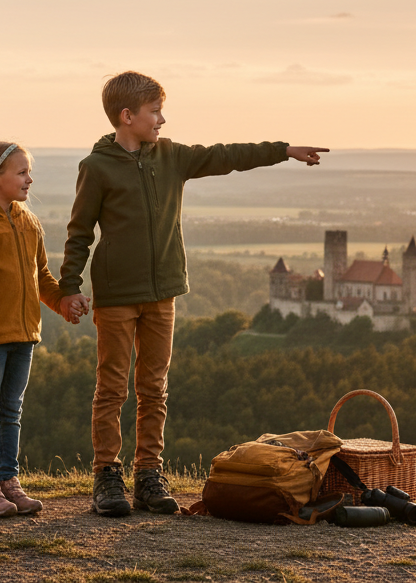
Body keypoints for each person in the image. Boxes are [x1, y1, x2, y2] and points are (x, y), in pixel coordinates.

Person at [57, 71, 328, 517]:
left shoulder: (171, 157)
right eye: (154, 111)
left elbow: (227, 155)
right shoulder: (97, 166)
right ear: (127, 116)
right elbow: (79, 232)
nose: (162, 119)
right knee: (111, 388)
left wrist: (283, 151)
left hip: (163, 293)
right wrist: (69, 288)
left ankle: (148, 475)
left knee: (154, 388)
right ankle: (107, 476)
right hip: (117, 296)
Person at [0, 142, 87, 518]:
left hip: (25, 334)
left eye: (28, 171)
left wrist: (63, 302)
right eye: (21, 172)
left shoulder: (29, 221)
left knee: (11, 410)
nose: (29, 179)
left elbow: (42, 277)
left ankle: (8, 482)